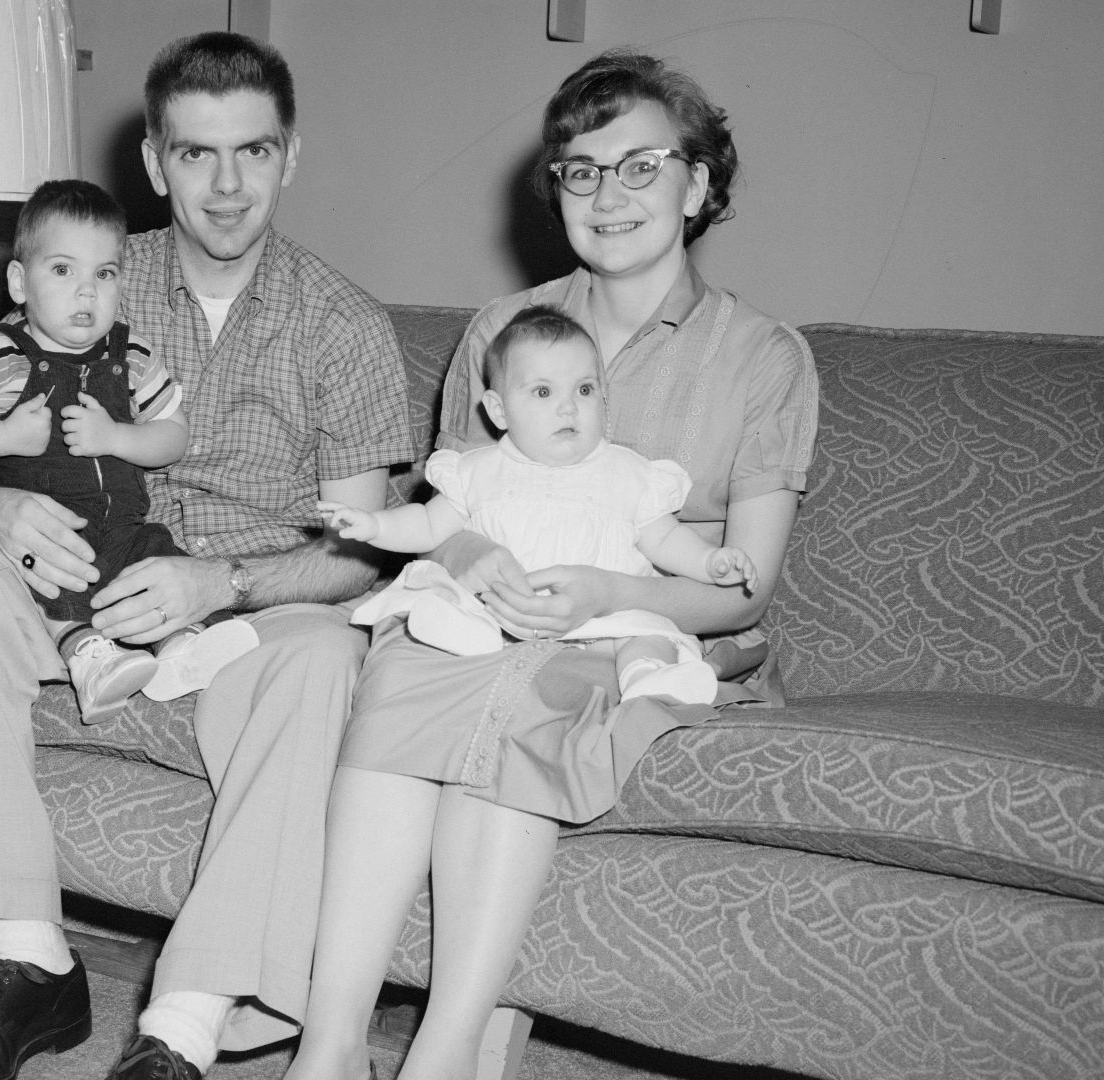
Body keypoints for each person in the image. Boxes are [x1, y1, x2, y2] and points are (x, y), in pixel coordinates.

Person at [0, 31, 413, 1080]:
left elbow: (361, 554)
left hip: (248, 614)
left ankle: (187, 1022)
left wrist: (217, 583)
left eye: (253, 153)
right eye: (196, 154)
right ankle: (30, 963)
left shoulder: (344, 326)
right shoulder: (77, 277)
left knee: (321, 661)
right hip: (66, 592)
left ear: (290, 157)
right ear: (153, 161)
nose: (225, 185)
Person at [286, 50, 819, 1080]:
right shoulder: (502, 333)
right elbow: (455, 509)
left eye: (641, 165)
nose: (607, 194)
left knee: (528, 691)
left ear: (699, 183)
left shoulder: (763, 357)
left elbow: (743, 585)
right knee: (406, 667)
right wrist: (474, 554)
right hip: (496, 620)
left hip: (656, 639)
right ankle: (331, 1045)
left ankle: (439, 1056)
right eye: (581, 170)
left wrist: (606, 593)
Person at [0, 179, 259, 720]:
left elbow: (173, 433)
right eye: (63, 270)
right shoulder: (0, 355)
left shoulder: (132, 354)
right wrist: (2, 437)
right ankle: (88, 660)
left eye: (105, 274)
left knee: (153, 560)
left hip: (121, 526)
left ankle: (179, 648)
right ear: (21, 282)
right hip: (44, 537)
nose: (87, 292)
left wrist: (118, 437)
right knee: (50, 588)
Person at [320, 304, 757, 707]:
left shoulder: (631, 473)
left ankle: (648, 676)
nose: (569, 406)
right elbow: (428, 525)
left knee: (647, 633)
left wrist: (710, 562)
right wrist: (374, 525)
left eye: (584, 389)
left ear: (604, 397)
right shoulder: (477, 470)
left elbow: (665, 538)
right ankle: (462, 635)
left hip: (602, 620)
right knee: (450, 593)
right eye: (543, 392)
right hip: (501, 612)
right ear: (499, 410)